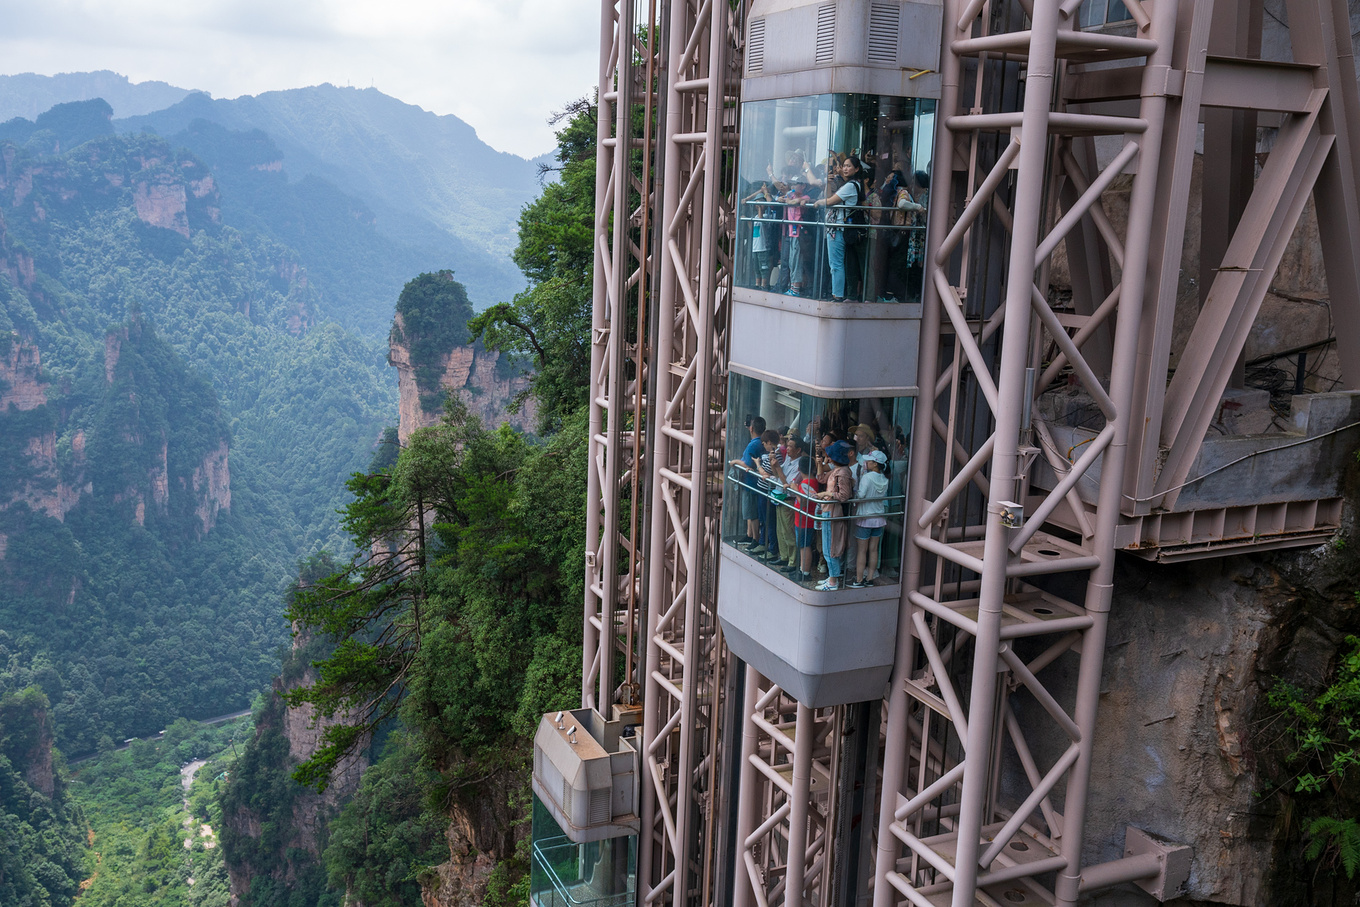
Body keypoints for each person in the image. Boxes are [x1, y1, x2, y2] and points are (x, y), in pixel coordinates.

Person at [806, 155, 864, 302]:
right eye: (844, 165)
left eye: (849, 166)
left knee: (836, 264)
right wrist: (829, 184)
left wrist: (818, 202)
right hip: (838, 229)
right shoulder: (849, 185)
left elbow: (830, 201)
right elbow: (830, 197)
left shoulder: (851, 186)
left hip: (839, 230)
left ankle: (837, 295)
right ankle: (837, 294)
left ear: (857, 169)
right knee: (836, 264)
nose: (845, 168)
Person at [813, 440, 855, 591]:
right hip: (828, 509)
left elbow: (844, 495)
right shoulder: (838, 470)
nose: (828, 458)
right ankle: (831, 577)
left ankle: (833, 581)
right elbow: (821, 478)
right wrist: (819, 464)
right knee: (827, 546)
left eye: (830, 455)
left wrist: (826, 493)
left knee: (832, 547)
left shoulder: (843, 472)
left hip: (834, 511)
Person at [850, 450, 890, 587]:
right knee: (873, 550)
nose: (866, 463)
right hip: (878, 518)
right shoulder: (884, 479)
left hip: (865, 517)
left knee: (862, 550)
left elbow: (861, 496)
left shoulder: (867, 478)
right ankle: (870, 578)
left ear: (875, 464)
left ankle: (859, 579)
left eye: (869, 461)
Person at [729, 415, 768, 548]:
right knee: (750, 511)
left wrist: (734, 462)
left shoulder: (754, 444)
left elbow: (747, 464)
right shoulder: (760, 442)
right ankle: (750, 535)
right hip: (753, 483)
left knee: (751, 513)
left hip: (751, 483)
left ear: (751, 428)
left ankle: (755, 539)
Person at [779, 178, 813, 295]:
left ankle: (796, 288)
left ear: (803, 185)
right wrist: (782, 198)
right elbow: (781, 199)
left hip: (800, 233)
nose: (794, 186)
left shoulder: (806, 197)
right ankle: (792, 286)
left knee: (797, 260)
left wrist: (788, 199)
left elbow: (793, 202)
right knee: (791, 261)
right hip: (790, 232)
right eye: (792, 183)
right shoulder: (791, 195)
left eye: (796, 184)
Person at [790, 454, 820, 584]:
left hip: (805, 519)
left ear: (799, 469)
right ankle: (802, 570)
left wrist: (795, 490)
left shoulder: (807, 483)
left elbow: (803, 502)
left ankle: (805, 572)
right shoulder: (809, 481)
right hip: (802, 518)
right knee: (802, 545)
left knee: (805, 545)